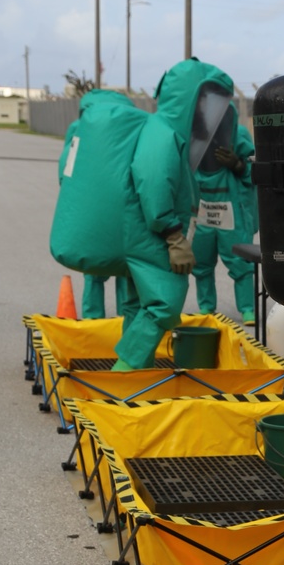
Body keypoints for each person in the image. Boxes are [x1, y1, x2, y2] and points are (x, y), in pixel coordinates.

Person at [50, 89, 195, 370]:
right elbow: (152, 177)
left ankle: (135, 363)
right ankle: (125, 369)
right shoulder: (151, 127)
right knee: (165, 298)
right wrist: (173, 234)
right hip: (142, 228)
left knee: (132, 297)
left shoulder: (80, 132)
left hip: (86, 231)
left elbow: (64, 175)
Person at [152, 58, 258, 321]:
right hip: (200, 207)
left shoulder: (237, 133)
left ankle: (247, 309)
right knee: (200, 261)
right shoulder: (185, 137)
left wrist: (237, 164)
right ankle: (206, 307)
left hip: (228, 204)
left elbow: (253, 173)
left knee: (239, 259)